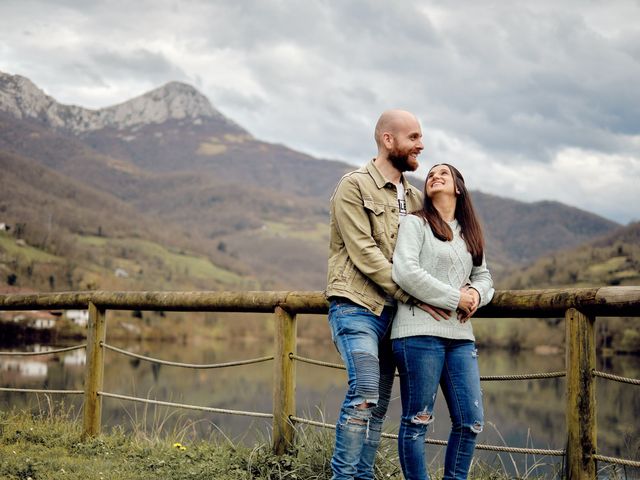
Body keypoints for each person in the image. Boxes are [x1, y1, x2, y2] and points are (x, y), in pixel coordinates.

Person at [326, 110, 448, 480]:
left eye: (421, 137)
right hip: (357, 307)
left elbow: (432, 253)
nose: (421, 145)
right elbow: (364, 253)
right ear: (388, 140)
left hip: (396, 317)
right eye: (413, 137)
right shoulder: (354, 186)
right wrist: (412, 295)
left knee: (377, 408)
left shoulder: (415, 198)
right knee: (364, 392)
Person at [390, 163, 494, 480]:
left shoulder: (470, 232)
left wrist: (476, 295)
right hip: (416, 332)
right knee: (418, 419)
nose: (435, 176)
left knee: (471, 421)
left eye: (443, 173)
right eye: (431, 174)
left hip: (461, 336)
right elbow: (405, 271)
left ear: (458, 188)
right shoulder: (414, 224)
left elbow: (484, 277)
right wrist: (455, 298)